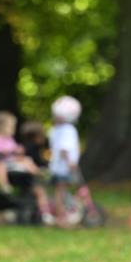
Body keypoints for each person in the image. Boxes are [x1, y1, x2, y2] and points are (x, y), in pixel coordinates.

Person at [0, 111, 53, 224]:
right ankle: (4, 185)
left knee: (27, 160)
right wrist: (10, 151)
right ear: (2, 126)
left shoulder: (10, 140)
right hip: (3, 165)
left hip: (14, 163)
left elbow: (17, 149)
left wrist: (18, 151)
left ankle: (37, 172)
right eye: (11, 127)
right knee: (0, 163)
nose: (13, 130)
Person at [48, 96, 82, 227]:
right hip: (64, 167)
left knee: (60, 191)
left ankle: (62, 213)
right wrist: (71, 163)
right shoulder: (68, 130)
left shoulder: (55, 129)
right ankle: (61, 217)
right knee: (61, 192)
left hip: (56, 166)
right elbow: (64, 149)